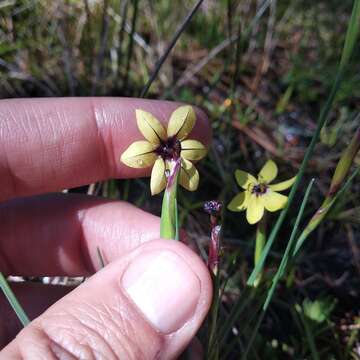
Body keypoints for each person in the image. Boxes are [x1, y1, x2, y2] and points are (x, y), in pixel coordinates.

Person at [0, 98, 212, 359]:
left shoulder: (176, 154)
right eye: (167, 148)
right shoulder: (156, 151)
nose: (170, 150)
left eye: (173, 148)